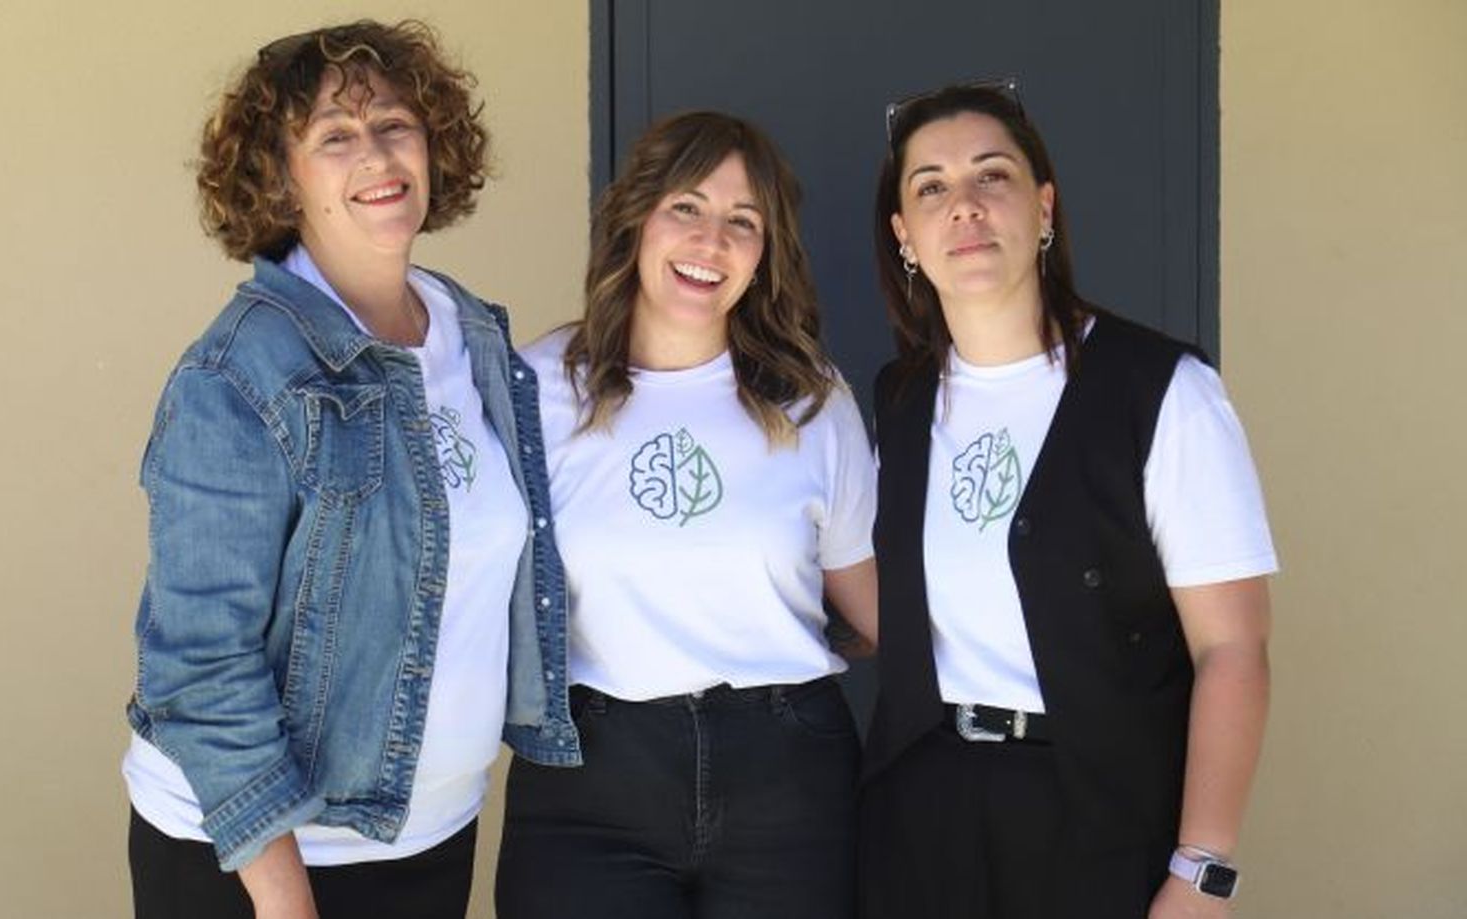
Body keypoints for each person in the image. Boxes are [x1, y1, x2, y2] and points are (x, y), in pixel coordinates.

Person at [119, 20, 578, 919]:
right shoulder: (238, 377)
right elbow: (199, 662)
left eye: (396, 124)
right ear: (280, 178)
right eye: (335, 136)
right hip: (261, 864)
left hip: (429, 837)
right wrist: (287, 901)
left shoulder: (467, 330)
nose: (376, 154)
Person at [857, 80, 1276, 919]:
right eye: (931, 187)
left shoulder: (1160, 390)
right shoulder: (900, 400)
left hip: (1100, 822)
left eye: (993, 176)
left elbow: (1232, 650)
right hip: (922, 818)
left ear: (1043, 207)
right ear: (906, 236)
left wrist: (1202, 871)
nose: (964, 207)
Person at [495, 111, 878, 919]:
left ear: (766, 253)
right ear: (636, 218)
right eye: (687, 207)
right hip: (589, 775)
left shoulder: (811, 399)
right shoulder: (537, 386)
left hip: (788, 778)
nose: (711, 241)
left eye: (744, 222)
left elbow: (871, 608)